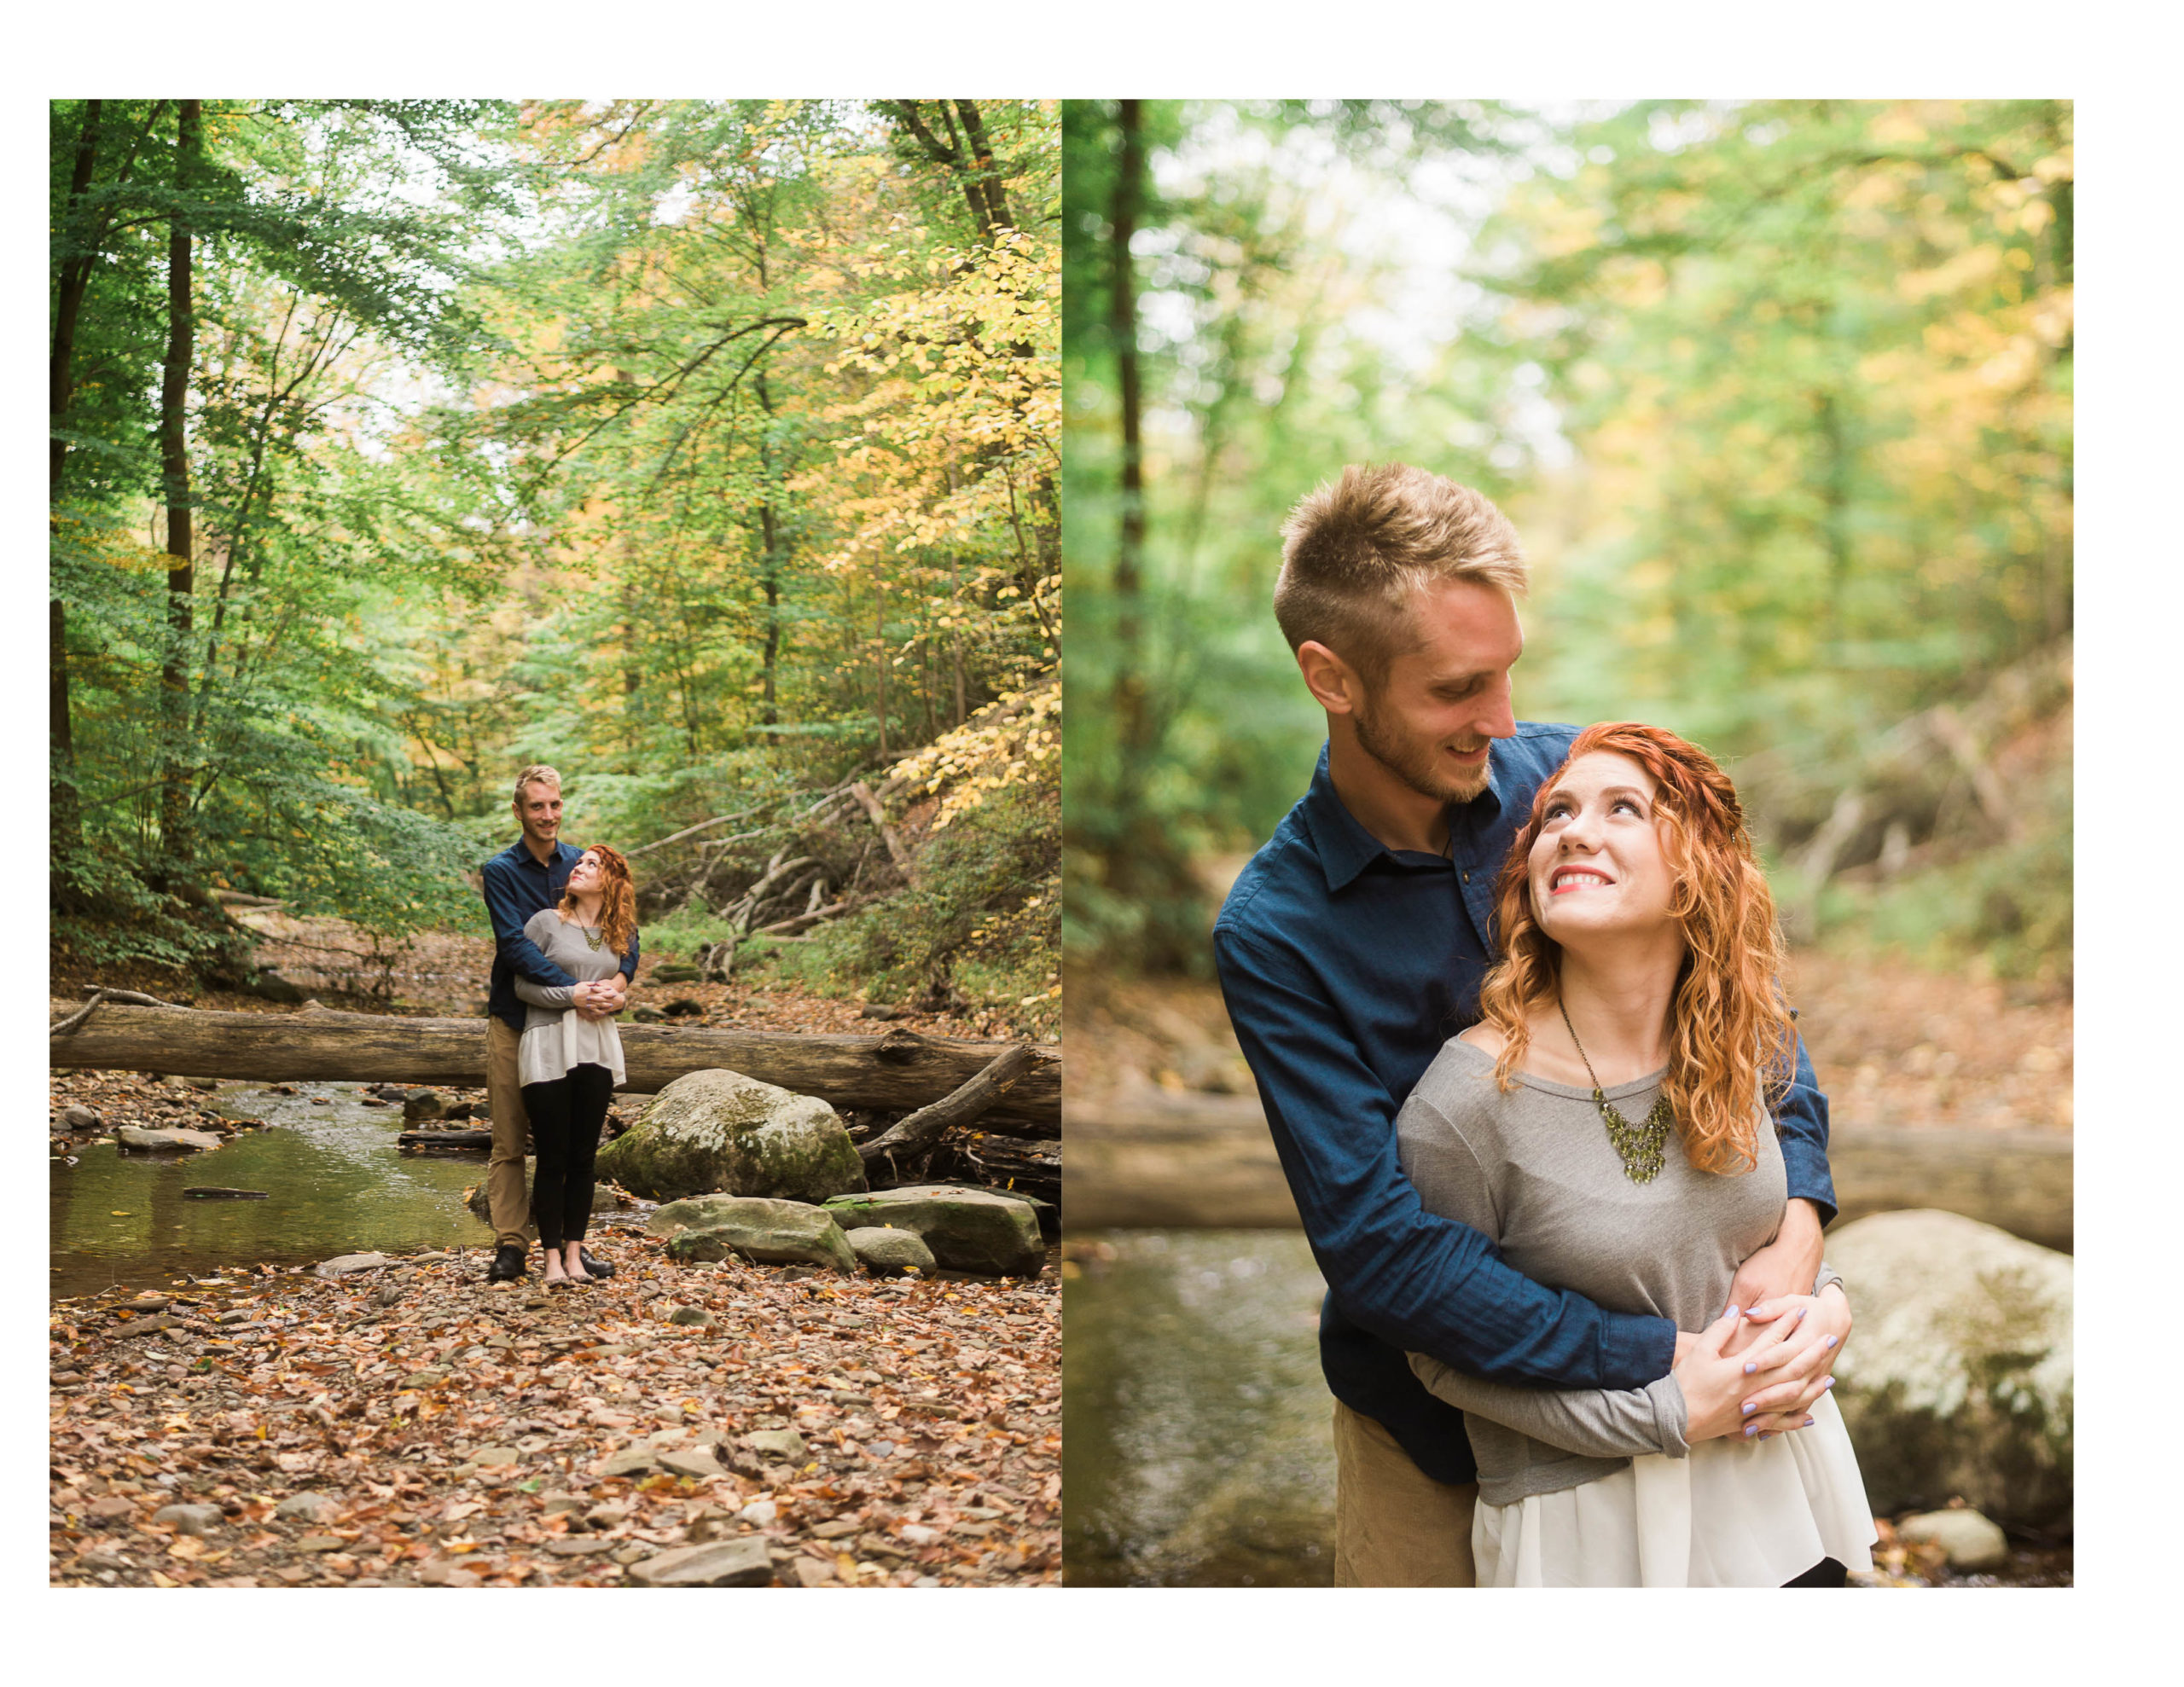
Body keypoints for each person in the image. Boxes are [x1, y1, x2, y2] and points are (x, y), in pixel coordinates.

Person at [1212, 464, 1850, 1586]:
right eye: (1458, 688)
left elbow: (1752, 1020)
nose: (1503, 723)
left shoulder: (1575, 786)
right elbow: (1382, 1251)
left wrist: (1799, 1226)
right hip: (1434, 1428)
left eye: (1507, 672)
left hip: (1716, 1394)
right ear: (1332, 677)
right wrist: (1659, 1361)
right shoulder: (1280, 930)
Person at [1395, 722, 1874, 1585]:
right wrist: (1664, 1415)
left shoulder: (1741, 1038)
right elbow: (1435, 1353)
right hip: (1591, 1528)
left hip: (1782, 1490)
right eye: (1557, 815)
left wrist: (1826, 1305)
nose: (1575, 830)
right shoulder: (1461, 1106)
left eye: (1624, 808)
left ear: (1700, 865)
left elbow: (1751, 1239)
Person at [479, 765, 637, 1284]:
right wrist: (575, 993)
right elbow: (516, 945)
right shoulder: (501, 871)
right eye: (537, 807)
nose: (548, 815)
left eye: (555, 805)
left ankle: (571, 1247)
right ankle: (511, 1244)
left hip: (583, 1028)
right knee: (510, 1140)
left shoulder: (582, 862)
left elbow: (623, 934)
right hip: (517, 1018)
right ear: (519, 811)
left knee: (571, 1147)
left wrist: (618, 984)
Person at [512, 845, 637, 1287]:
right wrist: (572, 996)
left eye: (591, 864)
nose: (578, 868)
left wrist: (617, 999)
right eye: (578, 861)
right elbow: (522, 987)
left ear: (611, 880)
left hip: (597, 1046)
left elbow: (620, 981)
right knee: (552, 1156)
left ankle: (575, 1256)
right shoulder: (546, 922)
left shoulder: (617, 933)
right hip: (547, 1042)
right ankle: (549, 1261)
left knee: (584, 1157)